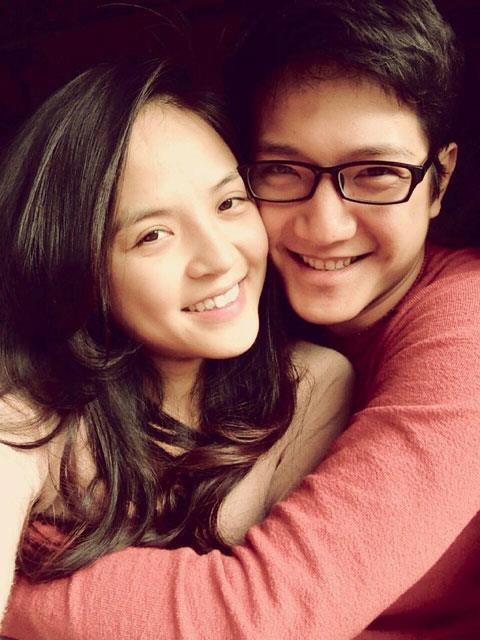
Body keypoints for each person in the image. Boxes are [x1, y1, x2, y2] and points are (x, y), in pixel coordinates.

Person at [3, 1, 480, 638]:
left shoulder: (463, 333)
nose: (325, 226)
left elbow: (260, 616)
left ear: (439, 180)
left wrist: (20, 583)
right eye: (282, 171)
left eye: (376, 173)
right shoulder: (236, 314)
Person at [0, 58, 353, 631]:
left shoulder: (310, 386)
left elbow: (281, 614)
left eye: (229, 203)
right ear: (79, 269)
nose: (220, 258)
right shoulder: (31, 414)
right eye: (154, 234)